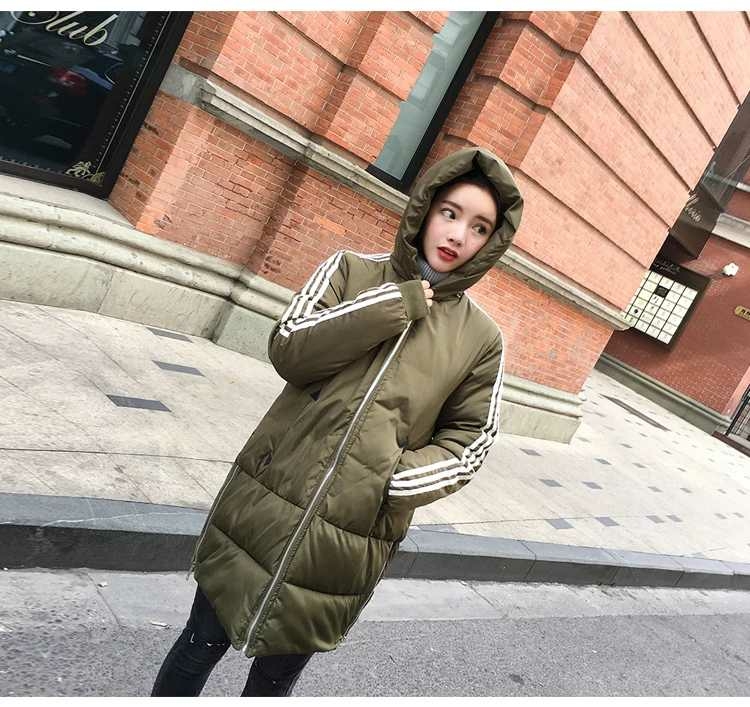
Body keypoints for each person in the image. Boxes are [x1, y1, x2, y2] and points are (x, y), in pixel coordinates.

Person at [151, 147, 523, 697]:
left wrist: (390, 484)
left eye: (479, 227)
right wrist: (392, 305)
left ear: (491, 243)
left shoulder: (481, 338)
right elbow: (290, 349)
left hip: (347, 539)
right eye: (450, 213)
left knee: (274, 680)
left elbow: (471, 440)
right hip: (264, 503)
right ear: (425, 209)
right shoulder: (350, 270)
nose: (457, 234)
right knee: (197, 646)